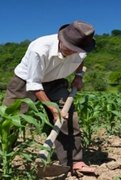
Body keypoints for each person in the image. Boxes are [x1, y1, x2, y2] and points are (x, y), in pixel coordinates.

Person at [3, 20, 96, 175]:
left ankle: (74, 162)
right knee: (10, 120)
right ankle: (2, 157)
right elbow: (34, 84)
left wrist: (78, 76)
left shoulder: (82, 48)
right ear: (61, 39)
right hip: (26, 82)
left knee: (68, 118)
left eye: (76, 50)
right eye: (69, 48)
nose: (72, 52)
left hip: (56, 81)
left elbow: (81, 60)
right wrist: (53, 109)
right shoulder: (39, 48)